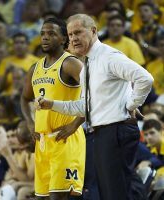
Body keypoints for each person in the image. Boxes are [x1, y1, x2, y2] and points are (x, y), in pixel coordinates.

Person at [36, 14, 154, 200]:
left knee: (118, 191)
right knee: (109, 192)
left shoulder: (109, 56)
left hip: (116, 129)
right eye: (70, 34)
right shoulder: (89, 64)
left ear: (93, 31)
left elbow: (145, 78)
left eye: (78, 33)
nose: (73, 38)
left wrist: (131, 104)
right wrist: (51, 105)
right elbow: (84, 107)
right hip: (102, 132)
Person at [21, 17, 86, 200]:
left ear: (64, 39)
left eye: (51, 34)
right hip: (42, 142)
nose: (45, 38)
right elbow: (25, 98)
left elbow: (94, 94)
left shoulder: (71, 63)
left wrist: (75, 124)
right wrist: (30, 122)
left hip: (65, 139)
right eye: (42, 34)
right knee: (42, 197)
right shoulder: (35, 68)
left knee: (59, 197)